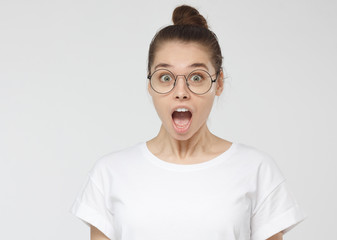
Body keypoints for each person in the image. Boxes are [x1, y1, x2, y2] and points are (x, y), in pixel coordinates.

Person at [70, 5, 306, 240]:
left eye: (196, 77)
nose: (181, 92)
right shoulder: (109, 173)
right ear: (149, 83)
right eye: (165, 77)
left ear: (219, 83)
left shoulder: (257, 169)